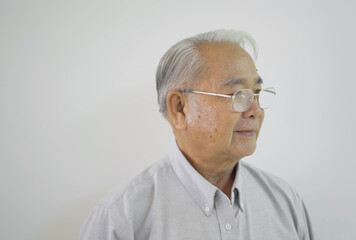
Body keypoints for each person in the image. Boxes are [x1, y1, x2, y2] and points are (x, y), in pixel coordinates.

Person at [79, 29, 314, 240]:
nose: (255, 110)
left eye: (256, 92)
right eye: (237, 94)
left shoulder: (284, 202)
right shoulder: (122, 218)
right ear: (180, 108)